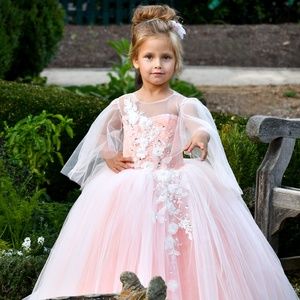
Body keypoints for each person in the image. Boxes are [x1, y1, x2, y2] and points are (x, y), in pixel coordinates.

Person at [24, 5, 298, 300]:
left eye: (166, 57)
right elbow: (101, 134)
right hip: (127, 187)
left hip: (176, 184)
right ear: (135, 61)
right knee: (124, 246)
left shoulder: (182, 103)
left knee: (181, 247)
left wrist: (200, 137)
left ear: (176, 62)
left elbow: (200, 126)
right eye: (149, 57)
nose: (158, 64)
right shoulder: (123, 104)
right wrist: (109, 155)